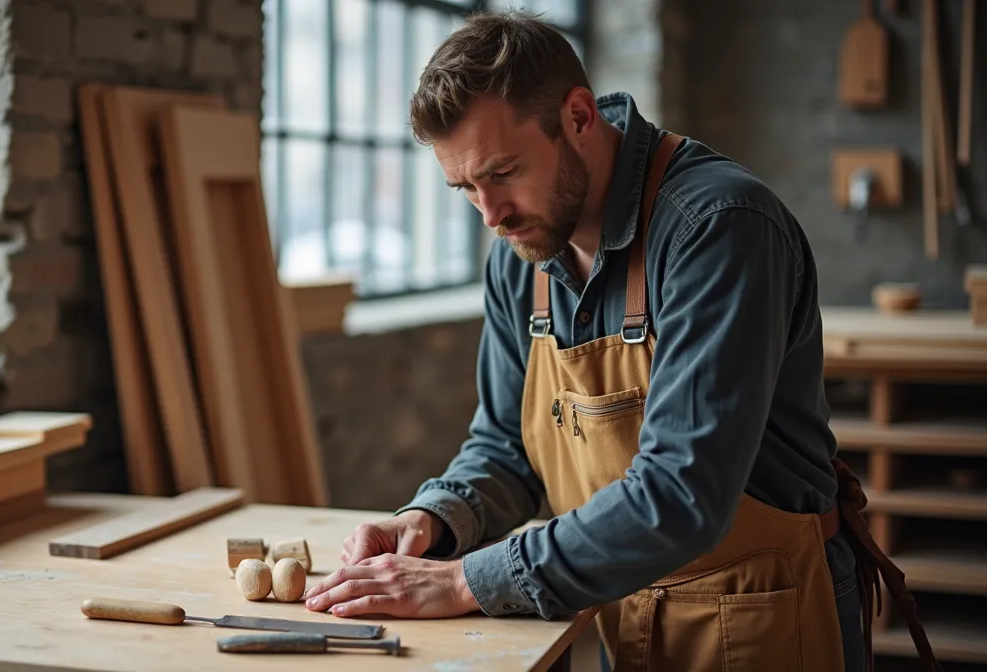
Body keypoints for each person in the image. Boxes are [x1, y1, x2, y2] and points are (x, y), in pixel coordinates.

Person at [300, 10, 942, 672]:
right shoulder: (519, 252)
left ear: (579, 117)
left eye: (504, 172)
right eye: (465, 188)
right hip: (623, 608)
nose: (490, 215)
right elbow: (505, 446)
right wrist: (432, 521)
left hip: (766, 618)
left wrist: (465, 581)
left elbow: (681, 494)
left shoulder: (718, 230)